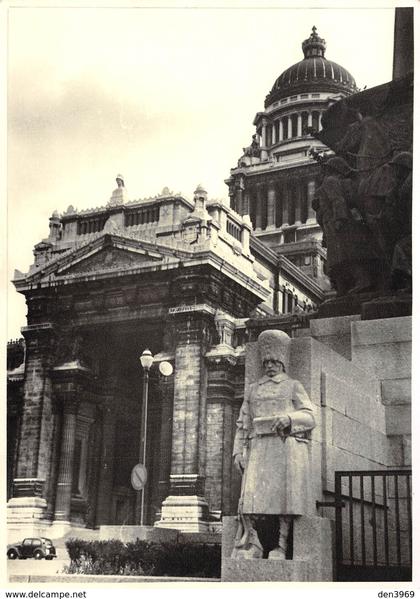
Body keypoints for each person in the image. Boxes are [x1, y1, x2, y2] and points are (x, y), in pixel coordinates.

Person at [232, 330, 316, 560]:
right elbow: (243, 423)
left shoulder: (293, 386)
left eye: (274, 362)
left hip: (283, 448)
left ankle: (280, 546)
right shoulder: (253, 389)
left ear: (282, 363)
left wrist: (289, 419)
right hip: (257, 448)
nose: (269, 366)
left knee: (283, 500)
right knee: (250, 500)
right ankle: (254, 544)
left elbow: (310, 416)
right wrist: (237, 452)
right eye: (266, 362)